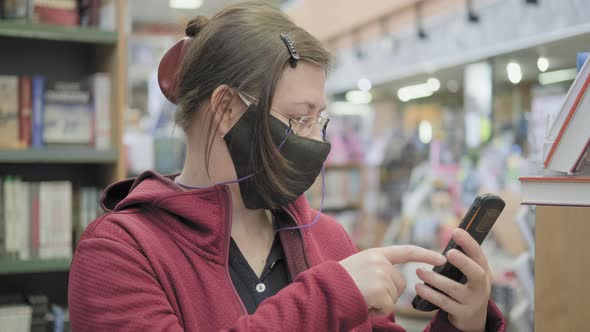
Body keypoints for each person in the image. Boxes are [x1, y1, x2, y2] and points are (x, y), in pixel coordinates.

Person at [68, 3, 505, 331]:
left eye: (319, 121)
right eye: (298, 119)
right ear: (224, 109)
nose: (315, 141)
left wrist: (462, 323)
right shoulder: (120, 252)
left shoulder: (329, 240)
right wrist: (331, 295)